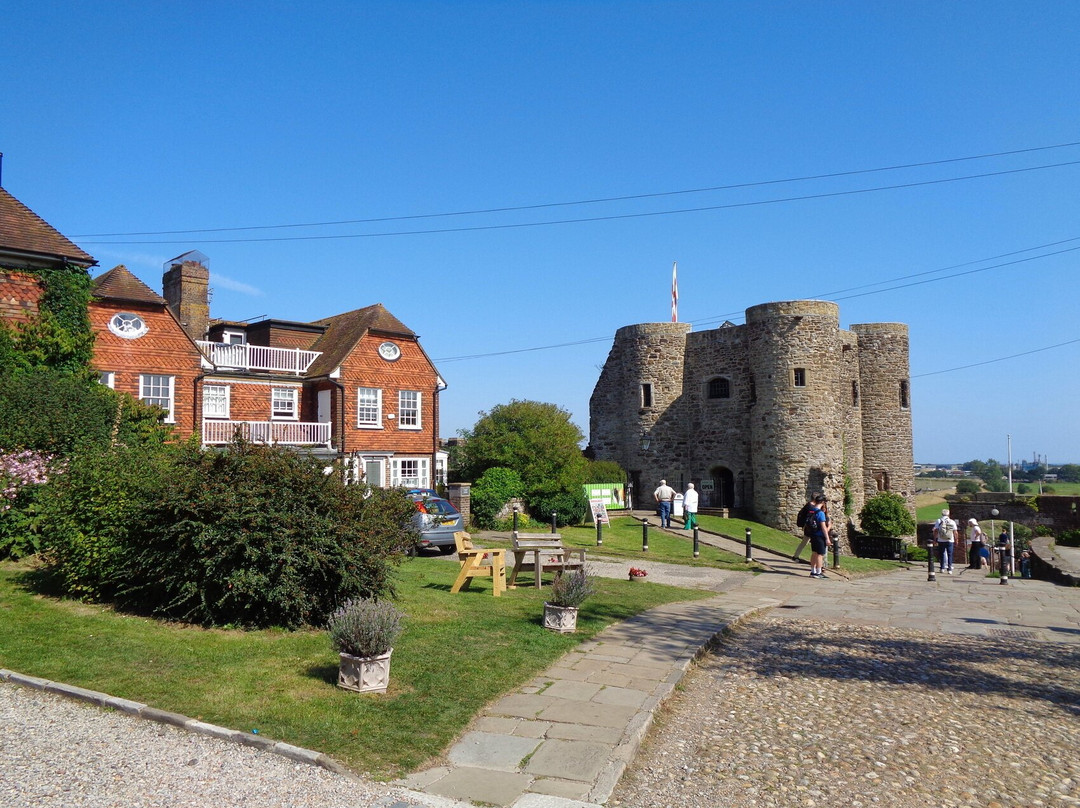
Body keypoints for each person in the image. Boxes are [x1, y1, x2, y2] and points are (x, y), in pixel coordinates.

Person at [807, 494, 832, 578]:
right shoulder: (820, 513)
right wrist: (827, 538)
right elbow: (823, 527)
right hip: (819, 536)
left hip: (812, 535)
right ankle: (818, 572)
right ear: (822, 502)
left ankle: (813, 571)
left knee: (814, 553)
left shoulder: (811, 510)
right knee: (820, 554)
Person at [933, 508, 957, 574]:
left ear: (942, 514)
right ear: (948, 514)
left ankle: (942, 568)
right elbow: (955, 532)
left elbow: (936, 530)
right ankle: (949, 569)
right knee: (950, 554)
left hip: (941, 540)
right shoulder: (952, 521)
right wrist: (956, 539)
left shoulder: (939, 520)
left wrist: (935, 539)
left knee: (941, 554)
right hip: (950, 540)